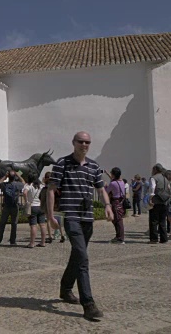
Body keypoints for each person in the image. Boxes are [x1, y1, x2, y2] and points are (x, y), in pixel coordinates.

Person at [46, 131, 113, 320]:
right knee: (83, 259)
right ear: (73, 142)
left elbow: (100, 188)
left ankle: (66, 288)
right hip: (71, 217)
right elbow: (51, 191)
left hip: (87, 218)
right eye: (81, 141)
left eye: (87, 142)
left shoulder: (93, 165)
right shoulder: (62, 163)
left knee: (77, 255)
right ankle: (89, 304)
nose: (84, 144)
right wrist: (51, 216)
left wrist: (107, 205)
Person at [0, 170, 25, 246]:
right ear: (14, 177)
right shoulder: (18, 185)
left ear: (9, 177)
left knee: (2, 224)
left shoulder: (5, 185)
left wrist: (5, 176)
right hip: (15, 206)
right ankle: (12, 241)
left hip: (6, 206)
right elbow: (24, 183)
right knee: (14, 224)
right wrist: (18, 175)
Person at [148, 163, 171, 244]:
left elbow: (152, 189)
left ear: (155, 170)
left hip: (156, 201)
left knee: (154, 221)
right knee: (162, 221)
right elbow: (169, 189)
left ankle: (154, 239)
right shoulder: (166, 178)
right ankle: (164, 238)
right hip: (165, 201)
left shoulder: (153, 178)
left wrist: (150, 199)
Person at [23, 175, 47, 248]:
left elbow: (24, 192)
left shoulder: (29, 185)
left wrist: (26, 201)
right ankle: (43, 242)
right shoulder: (41, 185)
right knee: (42, 225)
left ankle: (32, 243)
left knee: (33, 225)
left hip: (33, 206)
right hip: (41, 206)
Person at [42, 172, 66, 243]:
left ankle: (50, 236)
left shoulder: (45, 189)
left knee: (48, 221)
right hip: (56, 205)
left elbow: (41, 198)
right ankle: (62, 235)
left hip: (48, 206)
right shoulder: (56, 188)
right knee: (58, 221)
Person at [105, 167, 126, 244]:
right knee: (117, 219)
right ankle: (118, 236)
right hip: (121, 201)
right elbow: (114, 180)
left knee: (118, 220)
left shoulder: (113, 183)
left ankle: (120, 238)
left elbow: (107, 191)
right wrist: (108, 174)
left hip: (115, 201)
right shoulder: (122, 182)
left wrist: (105, 186)